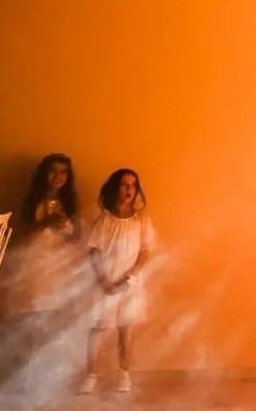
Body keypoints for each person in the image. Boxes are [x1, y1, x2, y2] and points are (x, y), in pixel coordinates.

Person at [79, 169, 156, 394]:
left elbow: (145, 251)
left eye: (133, 185)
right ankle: (90, 375)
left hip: (129, 283)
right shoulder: (104, 220)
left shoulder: (142, 220)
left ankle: (124, 374)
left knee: (126, 329)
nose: (129, 189)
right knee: (97, 328)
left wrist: (129, 278)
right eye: (124, 184)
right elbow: (93, 250)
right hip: (105, 281)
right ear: (115, 188)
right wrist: (104, 280)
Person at [11, 154, 83, 315]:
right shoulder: (32, 200)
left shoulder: (70, 204)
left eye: (63, 172)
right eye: (53, 171)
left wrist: (66, 232)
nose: (58, 177)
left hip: (58, 267)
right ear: (44, 173)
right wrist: (45, 223)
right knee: (31, 311)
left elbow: (78, 238)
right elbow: (21, 234)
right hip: (33, 265)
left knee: (53, 314)